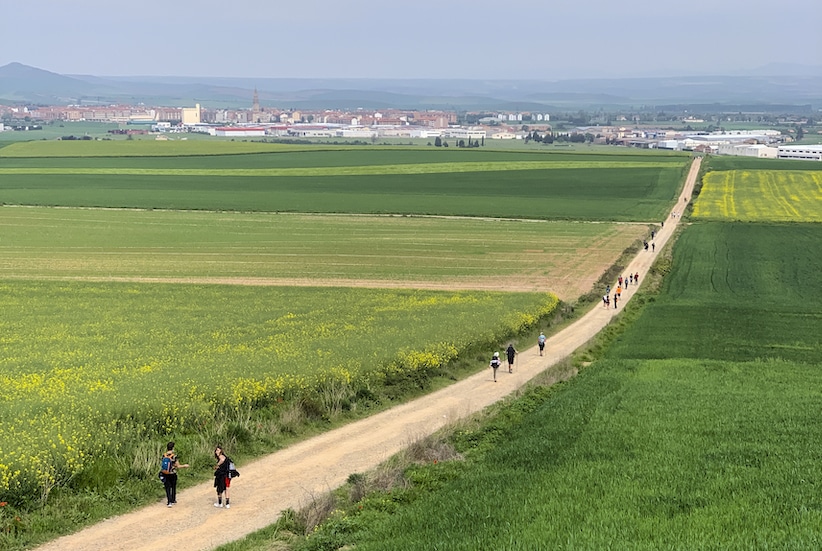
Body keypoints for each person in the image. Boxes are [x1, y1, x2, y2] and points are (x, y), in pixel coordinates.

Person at [161, 441, 189, 507]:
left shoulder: (164, 455)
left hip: (165, 473)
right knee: (173, 486)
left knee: (167, 487)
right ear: (173, 448)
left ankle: (169, 502)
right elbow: (178, 466)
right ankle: (173, 499)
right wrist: (184, 466)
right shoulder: (174, 456)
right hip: (172, 473)